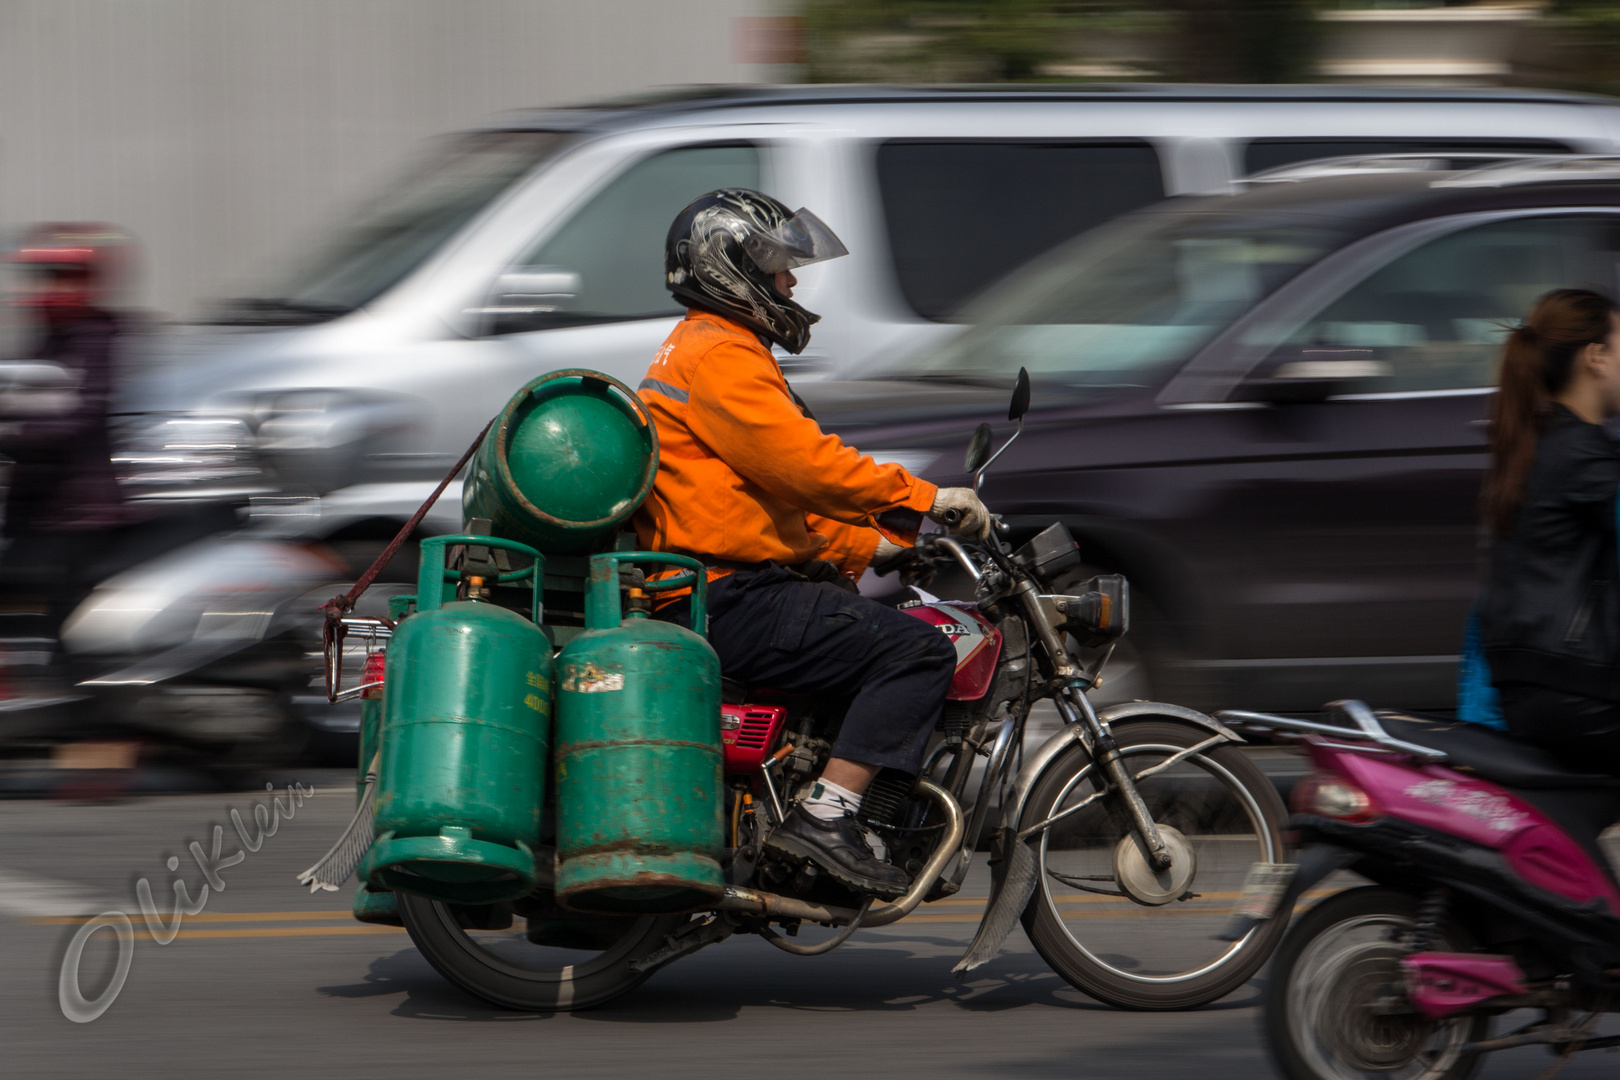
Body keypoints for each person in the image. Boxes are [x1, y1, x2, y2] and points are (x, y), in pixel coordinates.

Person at [634, 189, 990, 897]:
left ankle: (819, 801)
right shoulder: (719, 356)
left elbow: (767, 495)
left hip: (722, 583)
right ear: (729, 270)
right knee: (918, 650)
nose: (790, 283)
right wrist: (926, 498)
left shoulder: (711, 349)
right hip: (731, 594)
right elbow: (803, 464)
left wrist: (871, 547)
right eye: (776, 269)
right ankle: (827, 818)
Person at [1479, 288, 1620, 775]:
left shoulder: (1533, 448)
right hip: (1580, 694)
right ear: (1597, 358)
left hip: (1533, 691)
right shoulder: (1585, 457)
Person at [0, 224, 131, 664]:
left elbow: (76, 417)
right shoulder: (52, 340)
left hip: (76, 514)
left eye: (62, 275)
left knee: (61, 623)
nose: (48, 288)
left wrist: (14, 431)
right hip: (38, 509)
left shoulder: (97, 339)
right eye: (44, 275)